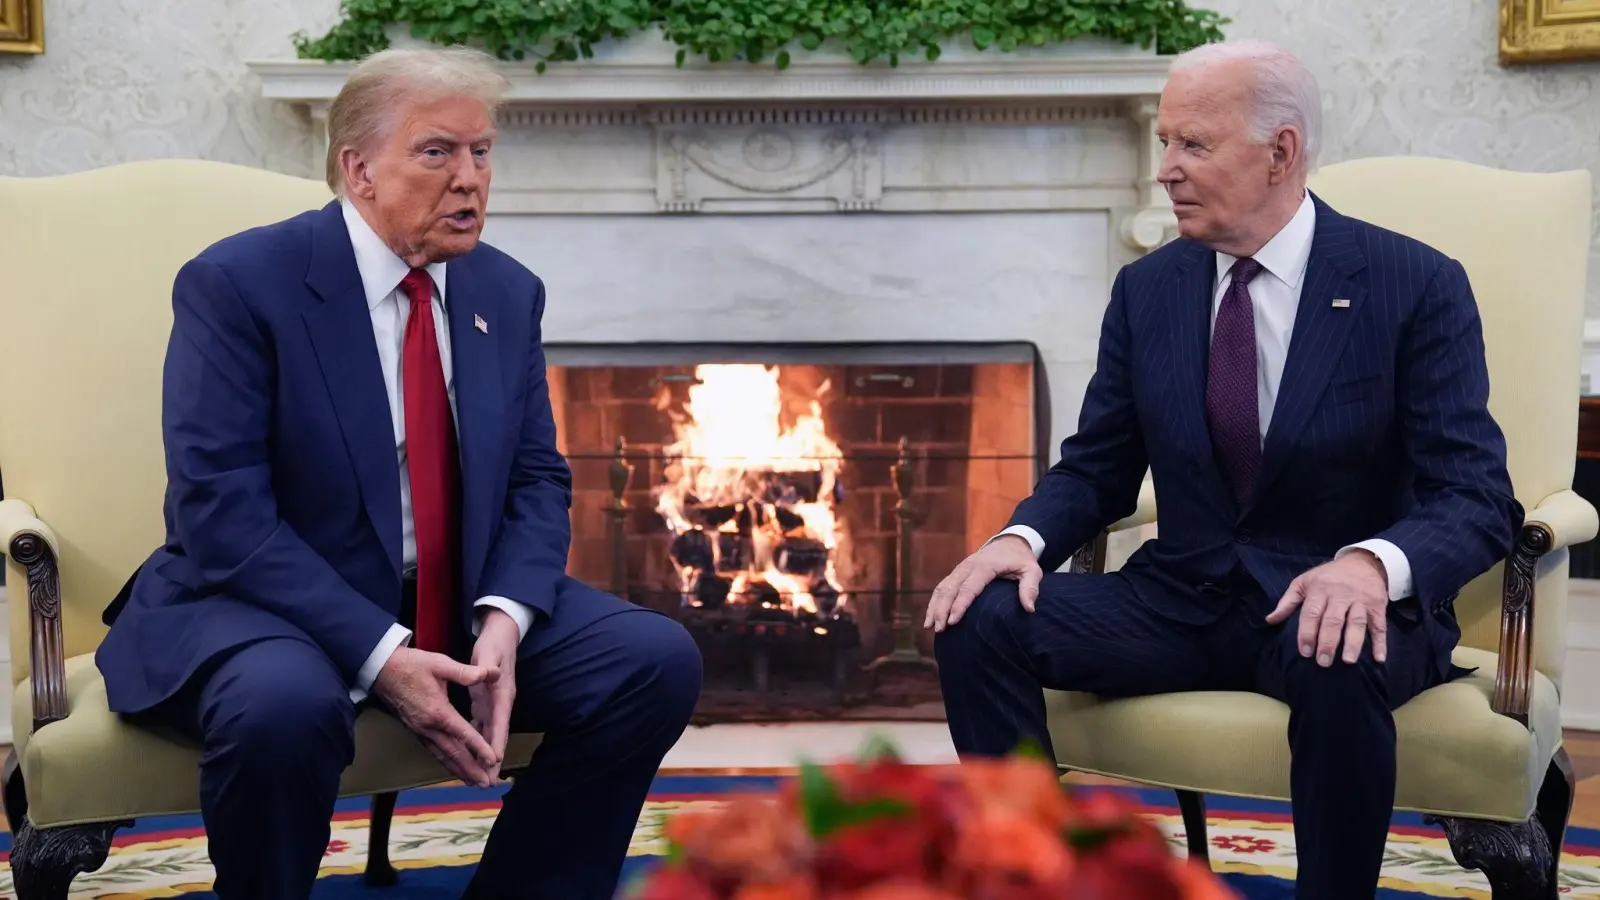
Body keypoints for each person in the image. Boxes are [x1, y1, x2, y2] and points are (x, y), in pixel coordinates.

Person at [94, 46, 703, 900]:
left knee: (653, 658)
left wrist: (504, 620)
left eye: (482, 152)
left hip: (448, 596)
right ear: (359, 169)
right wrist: (383, 657)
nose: (469, 179)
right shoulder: (238, 284)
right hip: (269, 606)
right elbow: (219, 510)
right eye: (437, 152)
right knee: (282, 708)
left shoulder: (504, 290)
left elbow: (536, 477)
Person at [925, 39, 1521, 900]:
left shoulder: (1411, 283)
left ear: (1280, 152)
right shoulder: (1149, 290)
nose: (1165, 170)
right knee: (979, 616)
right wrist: (1019, 539)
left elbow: (1474, 494)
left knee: (1337, 649)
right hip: (1182, 597)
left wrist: (1367, 566)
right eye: (1164, 142)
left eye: (1192, 146)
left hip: (1332, 601)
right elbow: (1097, 466)